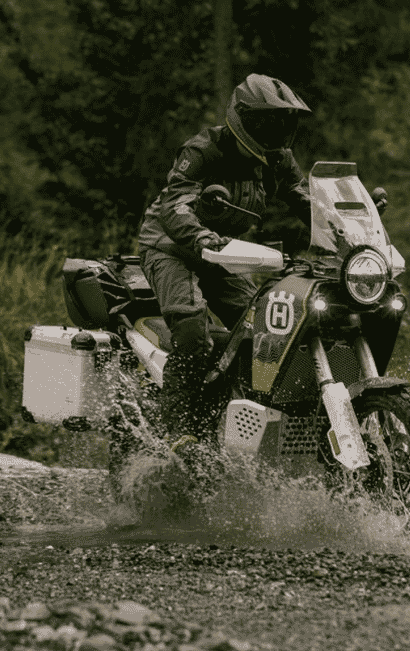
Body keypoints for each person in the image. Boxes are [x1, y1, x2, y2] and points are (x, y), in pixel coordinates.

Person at [139, 73, 312, 451]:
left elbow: (306, 200)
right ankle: (180, 429)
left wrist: (350, 231)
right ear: (244, 119)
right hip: (171, 248)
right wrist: (200, 238)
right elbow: (176, 202)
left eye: (284, 122)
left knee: (264, 332)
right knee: (192, 330)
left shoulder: (277, 158)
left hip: (223, 252)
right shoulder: (205, 149)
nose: (277, 131)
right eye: (268, 122)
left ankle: (237, 416)